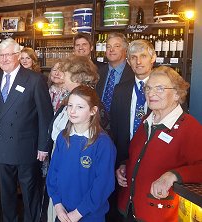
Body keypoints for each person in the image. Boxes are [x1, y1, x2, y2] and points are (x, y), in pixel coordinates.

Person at [117, 66, 202, 221]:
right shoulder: (147, 120)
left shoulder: (190, 127)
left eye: (160, 88)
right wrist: (125, 166)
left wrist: (172, 176)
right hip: (130, 209)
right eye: (148, 88)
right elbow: (138, 156)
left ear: (177, 94)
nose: (151, 93)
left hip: (158, 214)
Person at [0, 38, 52, 222]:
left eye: (9, 54)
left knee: (29, 193)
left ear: (18, 55)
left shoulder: (34, 79)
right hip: (1, 147)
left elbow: (45, 115)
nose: (5, 59)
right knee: (6, 194)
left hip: (26, 148)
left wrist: (43, 146)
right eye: (2, 55)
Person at [47, 85, 116, 222]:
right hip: (62, 212)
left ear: (93, 111)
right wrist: (58, 204)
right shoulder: (63, 137)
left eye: (80, 107)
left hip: (89, 215)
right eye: (70, 105)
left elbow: (103, 184)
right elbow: (53, 173)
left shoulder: (103, 143)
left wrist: (78, 213)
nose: (72, 111)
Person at [108, 39, 156, 222]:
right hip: (123, 164)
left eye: (143, 56)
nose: (138, 61)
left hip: (153, 164)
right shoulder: (120, 90)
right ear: (128, 61)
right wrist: (120, 162)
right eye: (133, 57)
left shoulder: (165, 89)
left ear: (153, 58)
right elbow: (116, 128)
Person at [47, 55, 99, 222]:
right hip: (61, 161)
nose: (62, 76)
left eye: (66, 73)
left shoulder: (89, 102)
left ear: (77, 76)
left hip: (79, 173)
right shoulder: (69, 97)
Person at [95, 32, 134, 114]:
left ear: (125, 49)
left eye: (116, 46)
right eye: (108, 47)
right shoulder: (98, 72)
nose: (111, 50)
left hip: (122, 123)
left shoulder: (133, 73)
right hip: (99, 123)